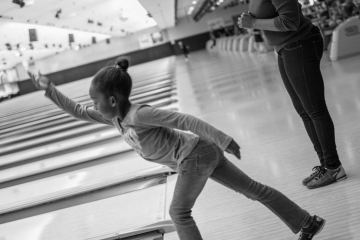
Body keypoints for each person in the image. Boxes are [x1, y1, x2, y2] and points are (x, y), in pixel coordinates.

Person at [29, 58, 325, 240]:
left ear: (114, 100)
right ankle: (306, 222)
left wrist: (223, 138)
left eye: (97, 102)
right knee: (252, 189)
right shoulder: (115, 119)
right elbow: (79, 111)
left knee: (179, 212)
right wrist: (49, 89)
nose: (93, 107)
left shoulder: (139, 115)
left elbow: (183, 119)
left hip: (195, 155)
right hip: (200, 153)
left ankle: (304, 221)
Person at [238, 0, 347, 189]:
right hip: (284, 48)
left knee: (314, 109)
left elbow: (290, 22)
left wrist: (253, 23)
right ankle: (325, 165)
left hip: (300, 43)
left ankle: (334, 167)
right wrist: (250, 22)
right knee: (304, 111)